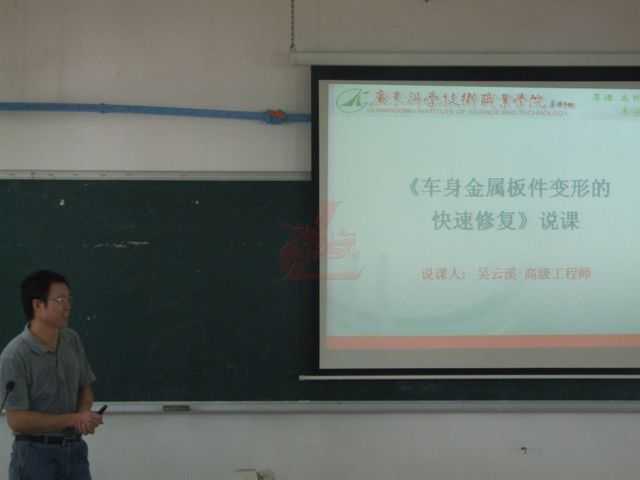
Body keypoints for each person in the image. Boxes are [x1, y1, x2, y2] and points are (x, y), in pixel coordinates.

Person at [0, 270, 103, 479]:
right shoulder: (15, 355)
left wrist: (84, 416)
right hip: (35, 456)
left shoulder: (71, 339)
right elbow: (17, 420)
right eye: (60, 300)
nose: (68, 306)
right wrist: (73, 419)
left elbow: (85, 387)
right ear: (38, 305)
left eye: (69, 299)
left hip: (75, 452)